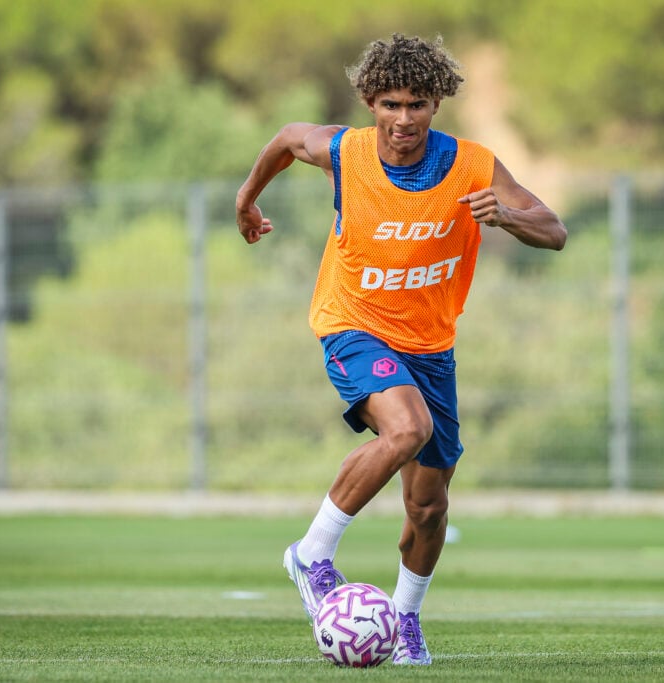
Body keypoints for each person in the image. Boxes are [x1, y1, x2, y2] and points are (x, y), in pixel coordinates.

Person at [235, 33, 566, 666]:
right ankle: (311, 554)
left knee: (429, 506)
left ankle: (405, 620)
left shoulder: (473, 165)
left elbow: (553, 230)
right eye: (390, 104)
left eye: (417, 104)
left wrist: (506, 216)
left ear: (436, 104)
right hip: (352, 324)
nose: (403, 118)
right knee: (407, 428)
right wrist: (247, 201)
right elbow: (284, 138)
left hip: (431, 348)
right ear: (369, 103)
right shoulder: (346, 153)